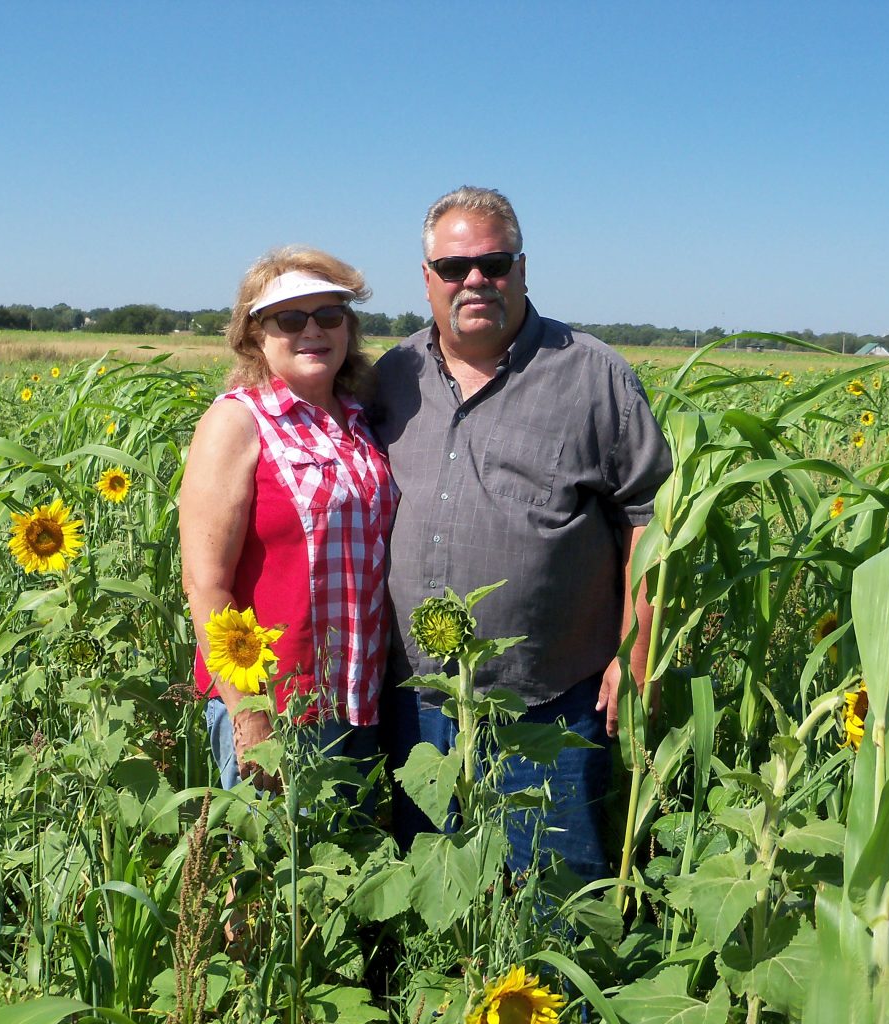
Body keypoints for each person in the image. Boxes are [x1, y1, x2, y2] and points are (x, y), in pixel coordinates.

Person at [374, 186, 672, 885]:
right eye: (453, 268)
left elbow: (650, 518)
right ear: (427, 280)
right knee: (433, 893)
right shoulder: (393, 376)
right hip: (420, 705)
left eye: (494, 263)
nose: (474, 280)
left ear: (522, 268)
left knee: (553, 893)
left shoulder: (591, 375)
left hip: (549, 703)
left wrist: (638, 650)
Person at [180, 247, 397, 792]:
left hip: (359, 699)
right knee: (273, 869)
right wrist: (249, 714)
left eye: (329, 315)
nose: (313, 331)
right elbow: (205, 584)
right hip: (279, 706)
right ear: (254, 333)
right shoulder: (237, 421)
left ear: (348, 327)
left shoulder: (358, 420)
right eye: (290, 318)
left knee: (345, 867)